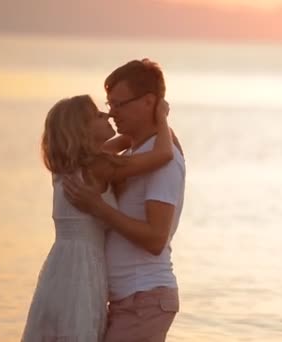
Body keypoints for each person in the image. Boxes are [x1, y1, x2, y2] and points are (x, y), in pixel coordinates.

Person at [21, 94, 173, 342]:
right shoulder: (99, 167)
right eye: (97, 115)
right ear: (82, 131)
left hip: (59, 267)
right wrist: (161, 118)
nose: (108, 114)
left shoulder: (68, 166)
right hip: (82, 269)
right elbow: (163, 154)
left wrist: (145, 122)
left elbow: (126, 140)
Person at [63, 59, 186, 342]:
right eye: (109, 104)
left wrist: (99, 208)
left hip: (144, 298)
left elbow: (156, 239)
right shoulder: (137, 153)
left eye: (120, 104)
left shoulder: (161, 163)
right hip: (129, 300)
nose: (112, 113)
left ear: (148, 102)